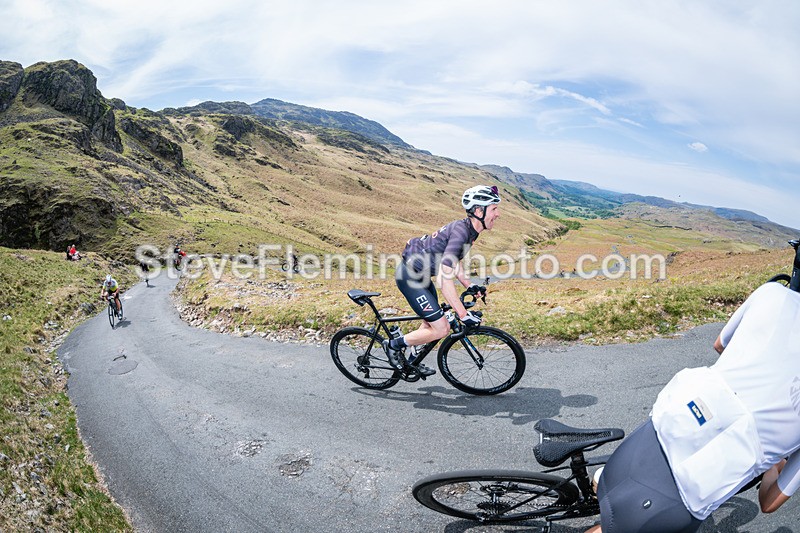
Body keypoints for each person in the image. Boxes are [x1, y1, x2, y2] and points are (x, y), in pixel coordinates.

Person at [588, 281, 800, 532]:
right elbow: (769, 501)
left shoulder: (771, 293)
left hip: (650, 437)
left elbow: (720, 344)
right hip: (673, 503)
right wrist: (773, 465)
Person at [384, 185, 501, 376]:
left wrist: (468, 284)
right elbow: (444, 279)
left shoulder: (470, 230)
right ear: (479, 211)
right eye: (494, 209)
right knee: (441, 328)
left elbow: (454, 261)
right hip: (410, 278)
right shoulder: (462, 232)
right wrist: (462, 314)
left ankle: (411, 361)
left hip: (421, 276)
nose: (498, 214)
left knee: (431, 322)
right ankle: (393, 345)